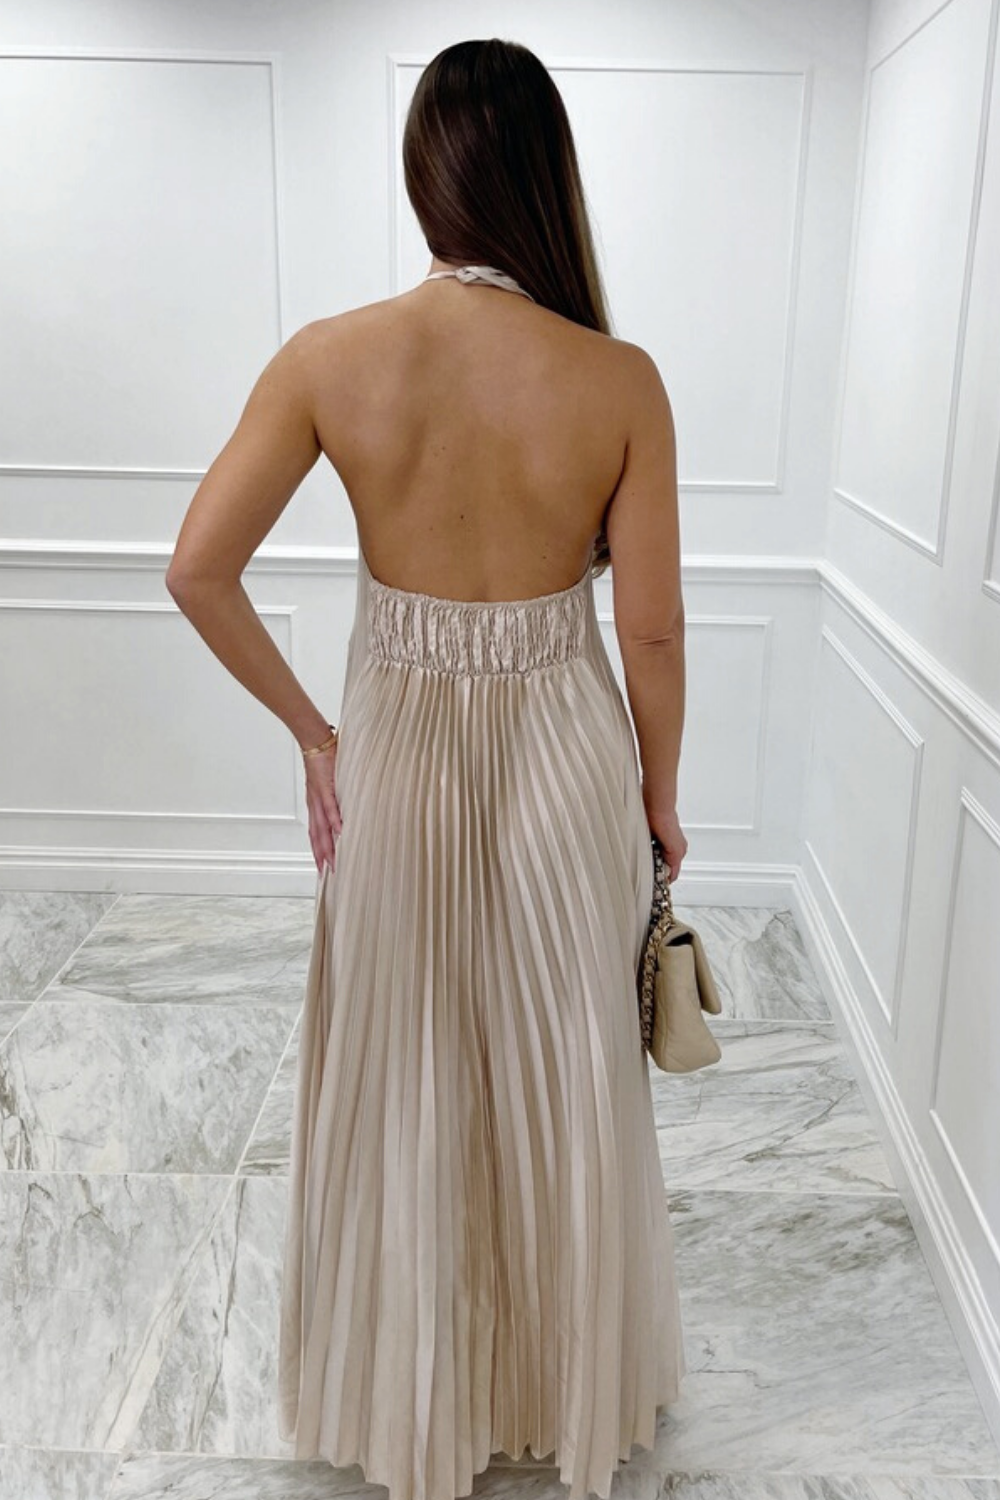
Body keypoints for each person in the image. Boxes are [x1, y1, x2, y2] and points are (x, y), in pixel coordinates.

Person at [165, 35, 687, 1500]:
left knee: (406, 1074)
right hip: (569, 754)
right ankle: (553, 1389)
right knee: (565, 1075)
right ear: (546, 178)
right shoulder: (619, 379)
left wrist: (315, 733)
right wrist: (659, 802)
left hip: (393, 750)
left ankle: (420, 1392)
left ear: (422, 178)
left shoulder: (330, 358)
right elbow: (649, 629)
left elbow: (198, 569)